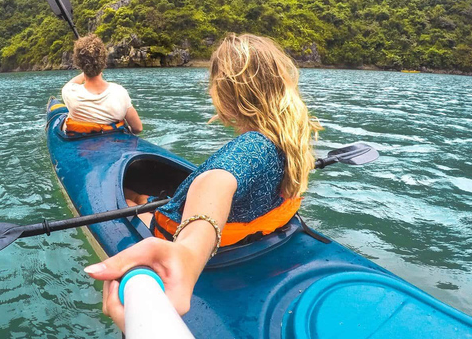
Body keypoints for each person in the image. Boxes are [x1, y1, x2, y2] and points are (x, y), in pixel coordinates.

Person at [84, 33, 321, 331]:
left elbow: (216, 181)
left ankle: (139, 205)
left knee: (132, 201)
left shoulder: (251, 147)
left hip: (191, 242)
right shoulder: (289, 140)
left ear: (226, 91)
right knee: (139, 198)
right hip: (251, 238)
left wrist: (187, 254)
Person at [62, 34, 143, 134]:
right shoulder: (119, 92)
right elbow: (138, 128)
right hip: (114, 142)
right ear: (103, 62)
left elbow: (72, 82)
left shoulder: (70, 91)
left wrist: (87, 70)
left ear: (79, 64)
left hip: (81, 144)